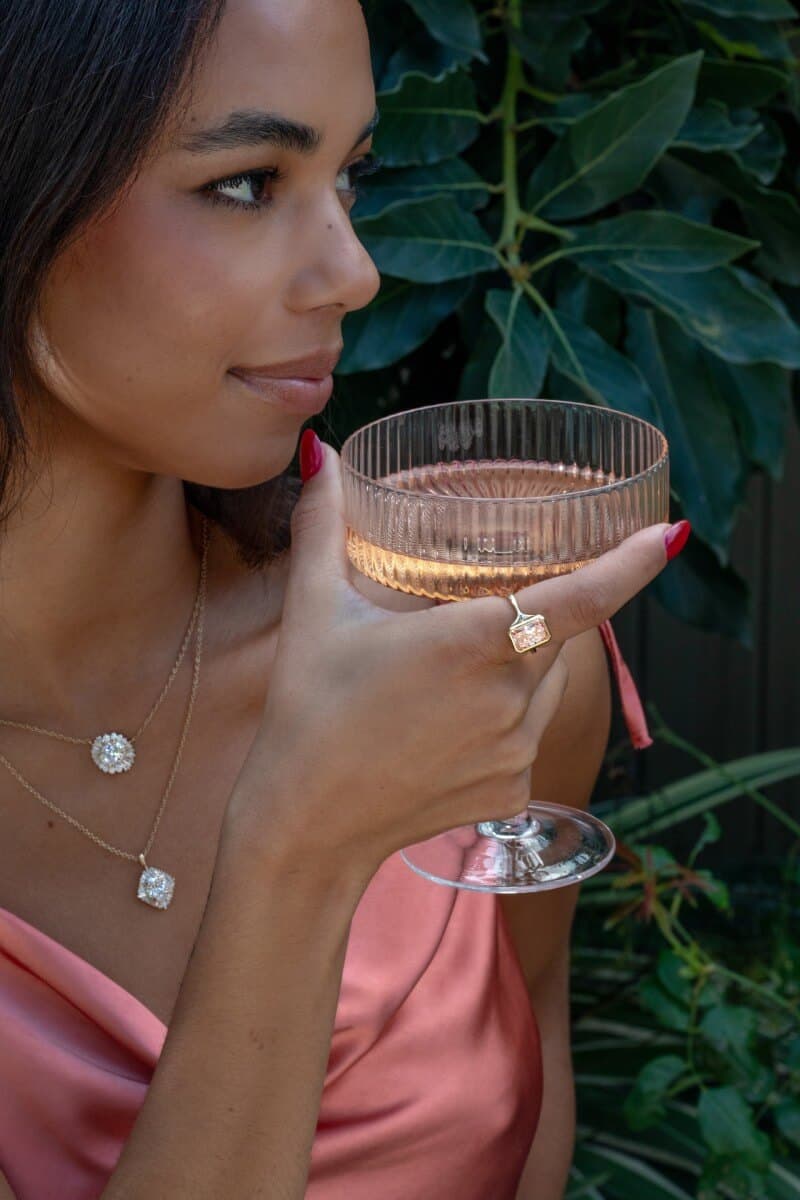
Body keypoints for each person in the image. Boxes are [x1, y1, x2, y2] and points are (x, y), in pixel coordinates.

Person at [0, 1, 691, 1197]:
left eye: (351, 174)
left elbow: (532, 1056)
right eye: (245, 183)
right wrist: (301, 849)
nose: (356, 273)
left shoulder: (474, 667)